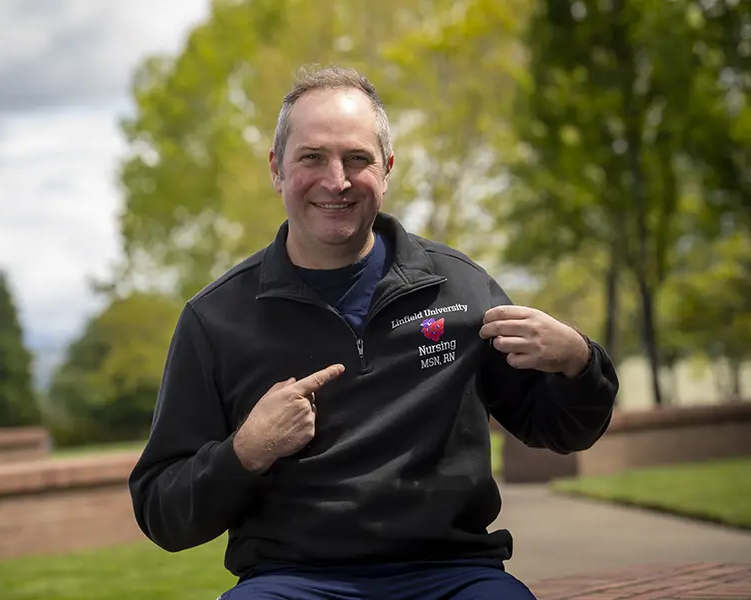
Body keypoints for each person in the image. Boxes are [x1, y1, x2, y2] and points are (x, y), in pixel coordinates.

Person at [128, 65, 619, 600]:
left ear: (386, 169)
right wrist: (245, 450)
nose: (336, 180)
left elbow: (562, 432)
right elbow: (162, 510)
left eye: (356, 159)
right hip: (291, 583)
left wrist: (578, 362)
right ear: (276, 168)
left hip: (453, 575)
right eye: (311, 158)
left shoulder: (459, 287)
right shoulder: (215, 319)